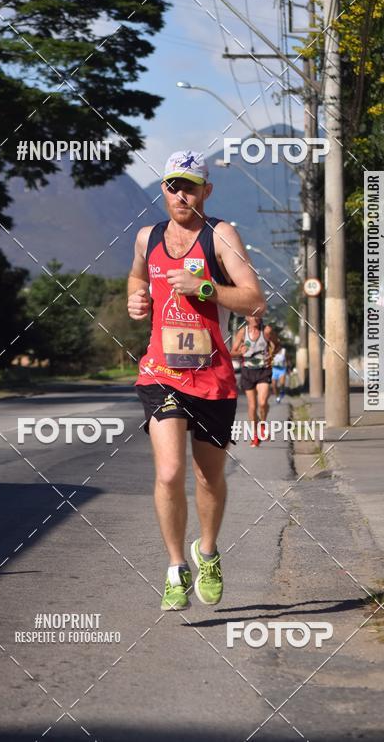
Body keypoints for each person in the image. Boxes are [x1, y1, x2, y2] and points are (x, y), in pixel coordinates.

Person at [127, 150, 266, 611]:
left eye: (190, 186)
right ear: (163, 190)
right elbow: (135, 278)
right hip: (160, 372)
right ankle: (174, 568)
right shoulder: (148, 238)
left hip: (212, 376)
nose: (180, 195)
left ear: (207, 190)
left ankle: (206, 551)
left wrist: (206, 288)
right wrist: (137, 299)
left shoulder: (220, 235)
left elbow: (252, 299)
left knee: (209, 478)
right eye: (172, 186)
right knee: (168, 472)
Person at [230, 316, 279, 447]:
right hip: (248, 371)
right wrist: (240, 352)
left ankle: (262, 424)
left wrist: (272, 354)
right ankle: (255, 435)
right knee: (252, 406)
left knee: (262, 402)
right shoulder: (242, 332)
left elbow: (278, 345)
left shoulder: (266, 331)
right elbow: (232, 352)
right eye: (252, 315)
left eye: (258, 315)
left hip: (264, 370)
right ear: (247, 317)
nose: (255, 318)